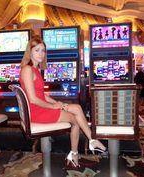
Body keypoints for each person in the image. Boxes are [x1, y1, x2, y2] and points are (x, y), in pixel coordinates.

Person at [20, 36, 106, 168]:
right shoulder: (27, 69)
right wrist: (53, 106)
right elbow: (33, 99)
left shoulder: (36, 69)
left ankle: (92, 140)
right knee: (75, 121)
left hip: (41, 107)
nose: (41, 54)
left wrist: (59, 103)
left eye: (43, 50)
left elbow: (42, 94)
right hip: (36, 111)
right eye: (37, 50)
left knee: (76, 108)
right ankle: (74, 153)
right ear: (30, 52)